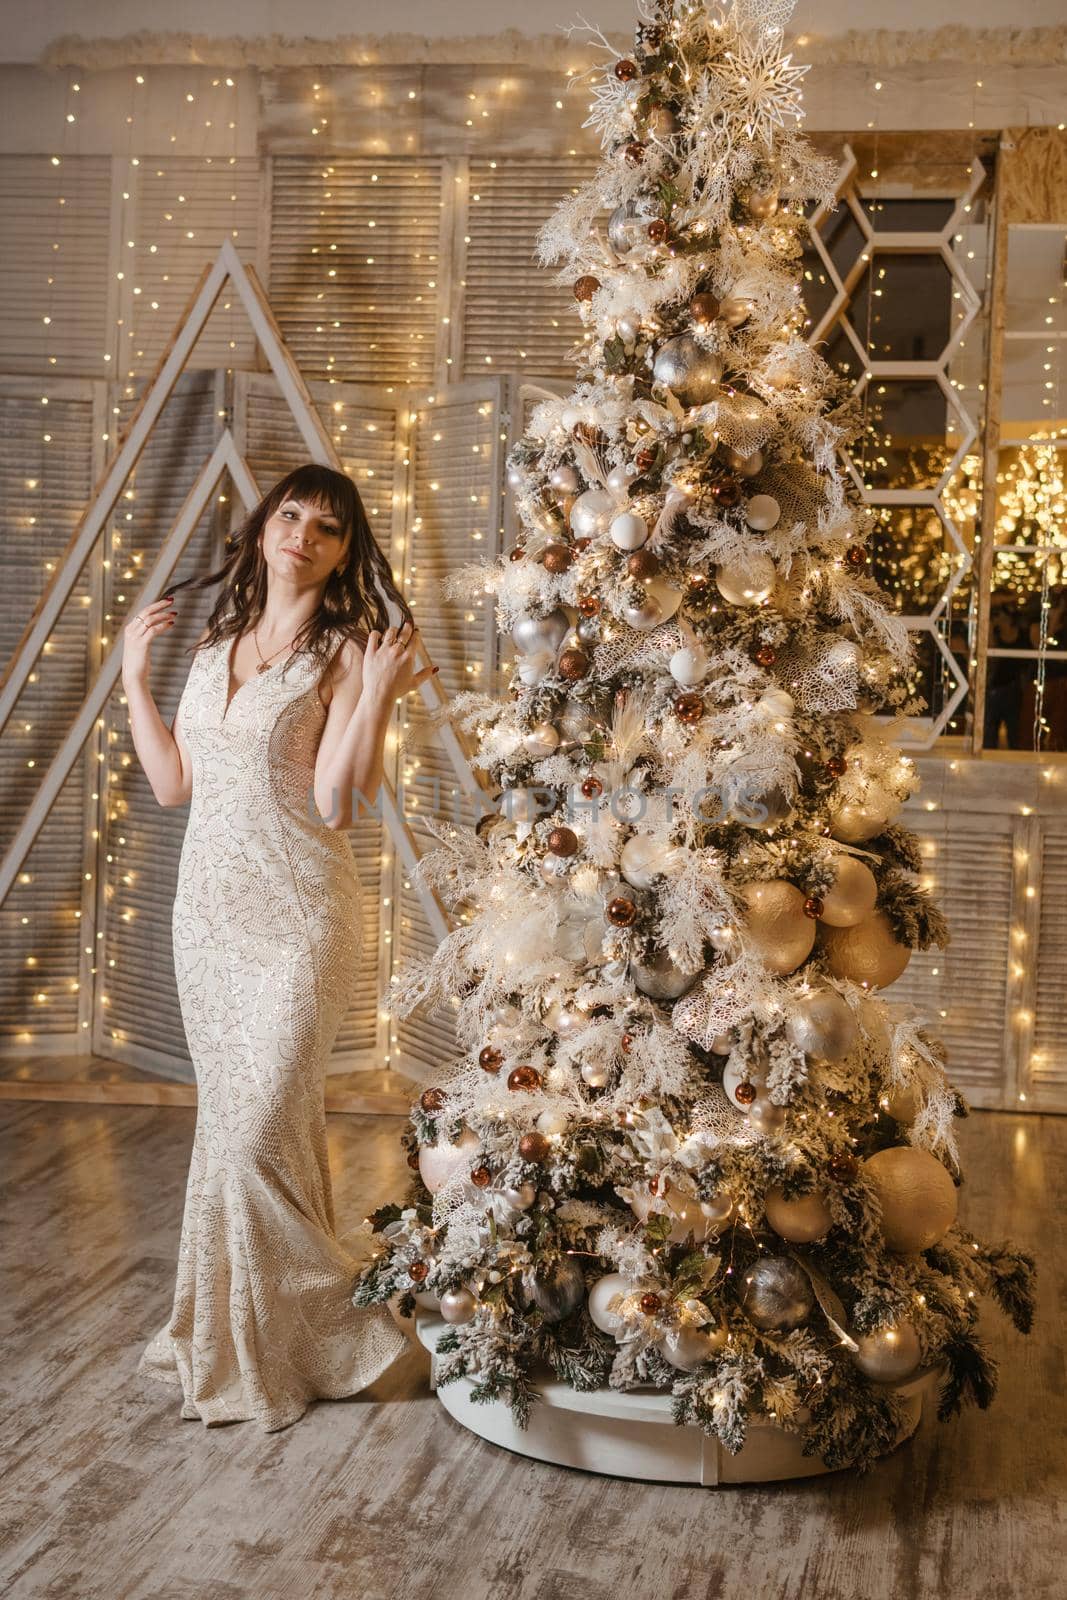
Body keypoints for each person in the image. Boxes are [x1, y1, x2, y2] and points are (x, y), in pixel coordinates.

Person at [122, 462, 437, 1430]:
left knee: (258, 1134)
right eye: (290, 514)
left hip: (299, 915)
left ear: (343, 553)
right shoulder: (216, 639)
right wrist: (134, 677)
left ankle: (350, 1332)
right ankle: (245, 1334)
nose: (303, 533)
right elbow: (175, 782)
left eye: (328, 527)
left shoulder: (344, 654)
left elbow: (338, 804)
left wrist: (377, 693)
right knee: (235, 1135)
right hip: (205, 919)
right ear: (263, 528)